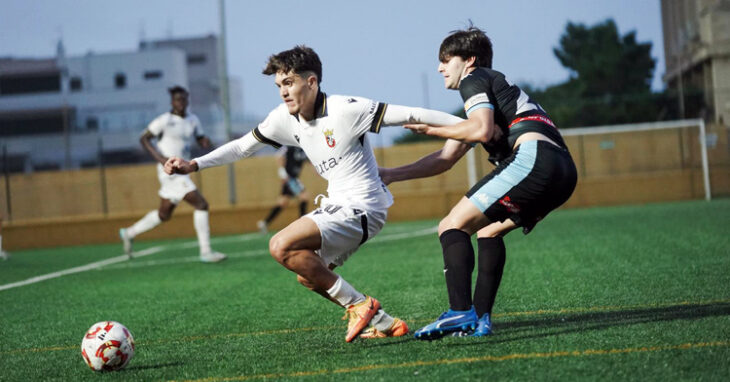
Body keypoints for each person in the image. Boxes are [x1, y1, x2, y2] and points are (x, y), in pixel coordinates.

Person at [164, 45, 464, 342]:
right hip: (340, 206)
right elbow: (243, 146)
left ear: (312, 82)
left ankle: (360, 305)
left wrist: (471, 125)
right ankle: (384, 323)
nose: (283, 91)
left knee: (280, 245)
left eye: (289, 83)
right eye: (279, 85)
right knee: (308, 274)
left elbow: (413, 113)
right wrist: (194, 164)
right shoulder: (283, 118)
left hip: (363, 207)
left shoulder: (346, 109)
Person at [380, 26, 578, 339]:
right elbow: (445, 159)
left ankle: (460, 312)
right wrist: (392, 174)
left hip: (536, 159)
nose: (440, 67)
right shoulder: (491, 93)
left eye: (446, 59)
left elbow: (481, 132)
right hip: (564, 172)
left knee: (451, 226)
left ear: (469, 60)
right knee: (488, 229)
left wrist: (432, 129)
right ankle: (480, 318)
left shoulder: (475, 79)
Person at [119, 86, 227, 263]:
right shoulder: (164, 120)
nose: (181, 102)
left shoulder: (193, 120)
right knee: (201, 204)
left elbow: (200, 138)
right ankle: (206, 251)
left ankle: (129, 233)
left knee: (164, 214)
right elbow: (144, 138)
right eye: (178, 99)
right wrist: (161, 159)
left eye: (184, 99)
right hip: (169, 171)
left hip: (183, 169)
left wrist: (205, 141)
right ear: (172, 102)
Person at [256, 146, 310, 234]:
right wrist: (282, 172)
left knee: (283, 202)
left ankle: (265, 222)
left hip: (293, 178)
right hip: (290, 178)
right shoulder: (289, 146)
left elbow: (307, 159)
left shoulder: (302, 147)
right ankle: (302, 224)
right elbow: (279, 155)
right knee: (304, 197)